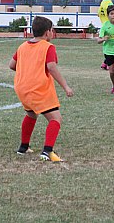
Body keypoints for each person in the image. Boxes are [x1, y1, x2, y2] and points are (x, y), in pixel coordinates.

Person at [9, 16, 74, 162]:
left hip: (21, 87)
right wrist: (66, 86)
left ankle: (23, 147)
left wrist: (27, 72)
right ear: (47, 33)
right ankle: (47, 151)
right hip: (37, 88)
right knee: (56, 118)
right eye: (52, 30)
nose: (53, 33)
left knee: (31, 114)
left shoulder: (22, 46)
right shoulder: (47, 47)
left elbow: (11, 65)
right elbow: (51, 67)